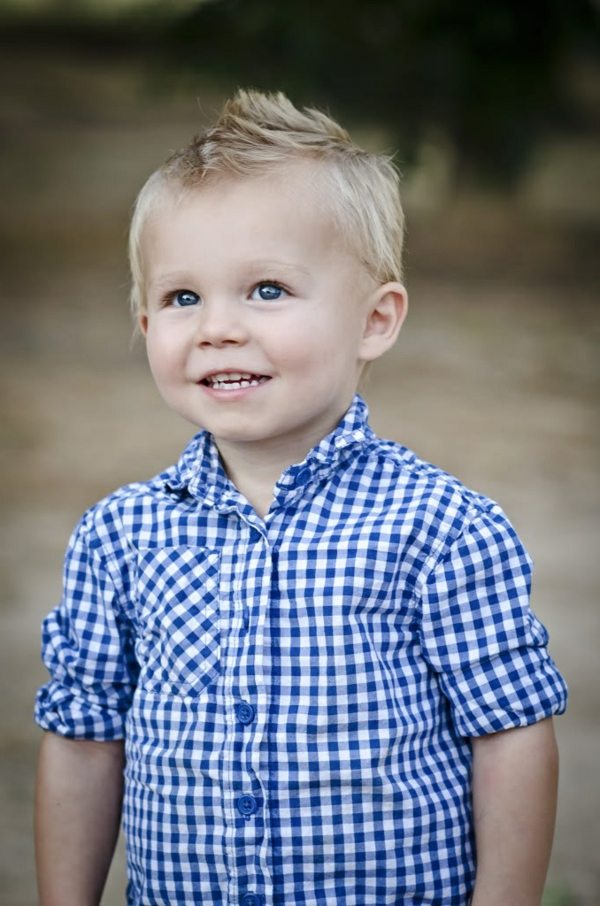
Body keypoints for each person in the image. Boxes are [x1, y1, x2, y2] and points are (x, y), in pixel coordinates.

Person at [34, 89, 568, 906]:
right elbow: (83, 743)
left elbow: (510, 736)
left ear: (375, 321)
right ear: (145, 325)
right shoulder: (119, 536)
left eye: (267, 290)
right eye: (183, 298)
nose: (217, 327)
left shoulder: (440, 528)